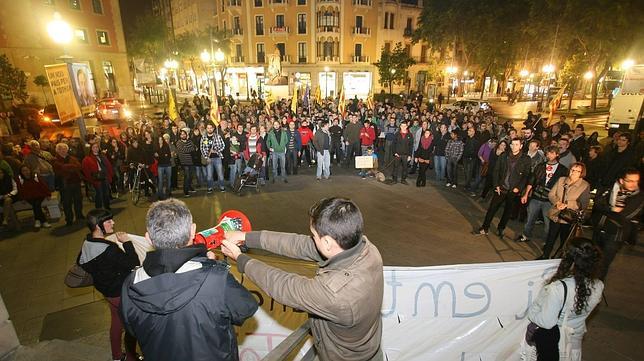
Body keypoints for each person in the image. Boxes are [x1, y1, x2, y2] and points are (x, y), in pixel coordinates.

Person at [221, 197, 384, 361]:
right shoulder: (366, 248)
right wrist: (246, 237)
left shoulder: (336, 293)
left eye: (314, 235)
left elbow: (284, 286)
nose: (311, 239)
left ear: (327, 242)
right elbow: (298, 244)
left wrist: (240, 258)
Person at [120, 199, 258, 361]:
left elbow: (132, 329)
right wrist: (215, 266)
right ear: (193, 231)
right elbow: (246, 307)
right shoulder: (215, 278)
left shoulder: (130, 284)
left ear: (148, 238)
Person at [527, 237, 604, 361]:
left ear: (570, 260)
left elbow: (547, 322)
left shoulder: (558, 289)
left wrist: (532, 312)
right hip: (574, 344)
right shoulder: (599, 285)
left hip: (556, 346)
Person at [78, 209, 140, 361]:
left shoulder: (87, 243)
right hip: (120, 293)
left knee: (116, 322)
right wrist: (127, 243)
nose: (113, 223)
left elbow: (81, 263)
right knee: (132, 327)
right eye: (108, 221)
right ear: (98, 226)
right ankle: (132, 357)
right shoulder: (109, 250)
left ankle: (117, 356)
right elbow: (133, 263)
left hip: (107, 292)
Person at [592, 168, 643, 280]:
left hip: (615, 236)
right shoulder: (610, 189)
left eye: (636, 181)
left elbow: (625, 215)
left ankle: (596, 288)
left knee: (603, 264)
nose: (633, 184)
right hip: (600, 229)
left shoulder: (639, 197)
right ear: (621, 180)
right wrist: (611, 209)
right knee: (592, 260)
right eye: (630, 181)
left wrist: (606, 210)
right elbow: (597, 205)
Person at [477, 138, 531, 237]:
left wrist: (519, 188)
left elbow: (526, 176)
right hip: (501, 188)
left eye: (516, 144)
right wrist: (496, 185)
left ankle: (501, 228)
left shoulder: (526, 159)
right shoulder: (504, 156)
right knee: (492, 209)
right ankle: (485, 228)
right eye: (512, 144)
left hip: (513, 190)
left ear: (521, 146)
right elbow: (496, 170)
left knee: (508, 211)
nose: (514, 146)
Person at [516, 146, 568, 243]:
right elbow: (532, 180)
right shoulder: (541, 166)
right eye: (548, 153)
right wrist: (526, 194)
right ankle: (526, 235)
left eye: (552, 153)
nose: (549, 155)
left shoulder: (562, 169)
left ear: (557, 154)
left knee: (548, 222)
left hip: (550, 200)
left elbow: (563, 186)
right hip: (536, 196)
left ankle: (546, 241)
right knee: (530, 218)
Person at [538, 163, 591, 259]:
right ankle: (545, 256)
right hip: (556, 213)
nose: (574, 172)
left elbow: (583, 204)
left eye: (577, 171)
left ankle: (560, 258)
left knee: (565, 239)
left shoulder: (584, 185)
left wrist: (567, 204)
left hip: (568, 217)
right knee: (551, 237)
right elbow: (551, 194)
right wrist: (557, 203)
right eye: (572, 170)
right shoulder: (562, 180)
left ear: (581, 173)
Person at [53, 143, 84, 226]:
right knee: (67, 202)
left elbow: (79, 166)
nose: (63, 150)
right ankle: (69, 219)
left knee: (78, 200)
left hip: (75, 182)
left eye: (65, 148)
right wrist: (72, 167)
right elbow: (60, 169)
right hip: (65, 185)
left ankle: (79, 215)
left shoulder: (72, 158)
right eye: (61, 149)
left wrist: (68, 167)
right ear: (57, 150)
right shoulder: (55, 160)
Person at [82, 142, 114, 210]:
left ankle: (107, 206)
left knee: (106, 193)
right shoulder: (87, 159)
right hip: (96, 178)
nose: (96, 149)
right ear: (91, 149)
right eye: (94, 147)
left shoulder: (102, 156)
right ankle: (99, 208)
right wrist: (91, 179)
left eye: (97, 147)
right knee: (99, 194)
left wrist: (110, 175)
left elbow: (108, 166)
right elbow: (86, 170)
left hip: (104, 176)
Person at [200, 123, 226, 192]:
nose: (209, 129)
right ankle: (210, 187)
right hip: (209, 159)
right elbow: (202, 148)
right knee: (209, 175)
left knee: (220, 174)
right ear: (206, 129)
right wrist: (206, 157)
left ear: (213, 128)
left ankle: (222, 186)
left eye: (211, 128)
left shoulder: (217, 136)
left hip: (217, 158)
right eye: (208, 128)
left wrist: (216, 150)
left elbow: (223, 146)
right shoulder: (204, 137)